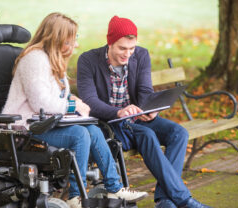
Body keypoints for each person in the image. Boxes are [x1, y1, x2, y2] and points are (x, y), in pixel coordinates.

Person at [2, 13, 148, 208]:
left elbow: (56, 98)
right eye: (72, 40)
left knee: (94, 130)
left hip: (46, 123)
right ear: (57, 38)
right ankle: (75, 196)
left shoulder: (53, 59)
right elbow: (41, 103)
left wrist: (73, 100)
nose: (76, 45)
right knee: (79, 134)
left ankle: (115, 187)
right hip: (24, 128)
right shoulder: (34, 59)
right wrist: (73, 105)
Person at [77, 15, 211, 208]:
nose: (128, 54)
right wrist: (119, 112)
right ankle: (183, 200)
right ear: (110, 42)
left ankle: (165, 199)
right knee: (147, 134)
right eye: (122, 48)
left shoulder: (140, 55)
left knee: (178, 132)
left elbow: (145, 92)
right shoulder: (88, 60)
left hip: (137, 117)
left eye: (131, 48)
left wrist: (151, 109)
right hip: (110, 122)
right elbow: (90, 102)